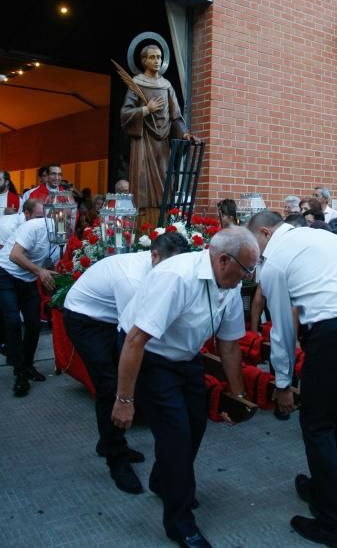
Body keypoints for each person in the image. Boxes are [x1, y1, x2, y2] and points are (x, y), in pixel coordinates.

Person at [247, 211, 337, 548]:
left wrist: (282, 384)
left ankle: (332, 524)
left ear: (265, 232)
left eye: (253, 245)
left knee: (316, 425)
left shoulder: (276, 262)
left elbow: (282, 329)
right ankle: (322, 489)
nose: (253, 255)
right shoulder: (321, 236)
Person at [112, 227, 259, 548]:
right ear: (222, 260)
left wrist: (238, 397)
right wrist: (124, 399)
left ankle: (164, 481)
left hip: (185, 355)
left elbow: (230, 345)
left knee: (195, 425)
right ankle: (180, 522)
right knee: (176, 436)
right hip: (148, 355)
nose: (250, 277)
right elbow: (136, 341)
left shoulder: (231, 285)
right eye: (247, 269)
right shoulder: (176, 278)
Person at [63, 232, 190, 494]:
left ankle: (107, 441)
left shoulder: (163, 266)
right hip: (85, 318)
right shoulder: (132, 279)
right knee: (110, 385)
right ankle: (116, 459)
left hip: (111, 317)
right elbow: (133, 336)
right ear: (154, 255)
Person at [120, 44, 197, 211]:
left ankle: (161, 225)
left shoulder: (166, 86)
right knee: (142, 185)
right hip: (143, 143)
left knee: (165, 188)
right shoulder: (137, 83)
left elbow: (175, 116)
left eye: (159, 57)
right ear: (144, 60)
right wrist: (146, 110)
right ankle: (144, 227)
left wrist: (185, 135)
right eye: (153, 57)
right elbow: (125, 113)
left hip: (162, 146)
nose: (157, 61)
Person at [0, 199, 57, 396]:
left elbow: (49, 262)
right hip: (5, 274)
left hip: (28, 279)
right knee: (14, 322)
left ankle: (28, 364)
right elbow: (14, 256)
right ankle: (20, 373)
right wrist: (40, 271)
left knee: (34, 324)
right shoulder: (33, 226)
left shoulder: (60, 234)